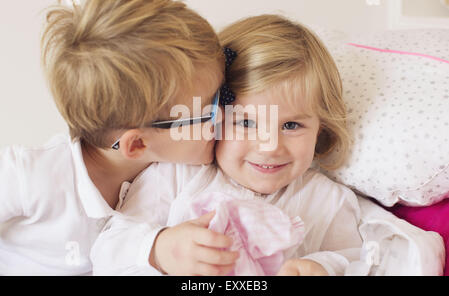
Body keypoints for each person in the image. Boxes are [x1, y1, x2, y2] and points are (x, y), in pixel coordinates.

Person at [90, 15, 444, 276]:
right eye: (245, 122)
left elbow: (357, 257)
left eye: (291, 125)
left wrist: (321, 267)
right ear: (212, 116)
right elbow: (107, 250)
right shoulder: (176, 176)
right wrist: (160, 249)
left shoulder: (327, 200)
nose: (270, 145)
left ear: (320, 127)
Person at [0, 0, 230, 275]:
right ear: (136, 145)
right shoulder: (33, 175)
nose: (225, 115)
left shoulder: (173, 175)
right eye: (209, 109)